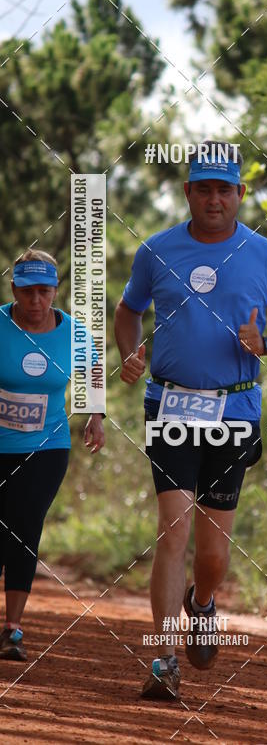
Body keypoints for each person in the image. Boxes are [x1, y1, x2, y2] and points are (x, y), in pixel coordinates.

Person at [115, 143, 267, 699]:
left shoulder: (263, 254)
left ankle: (202, 602)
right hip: (171, 404)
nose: (214, 199)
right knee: (172, 529)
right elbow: (128, 311)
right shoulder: (157, 251)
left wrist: (266, 343)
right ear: (187, 193)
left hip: (236, 409)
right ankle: (163, 660)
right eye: (203, 188)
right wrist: (130, 353)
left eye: (224, 189)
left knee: (213, 552)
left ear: (240, 195)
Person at [0, 249, 105, 660]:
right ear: (14, 290)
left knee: (24, 525)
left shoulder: (74, 334)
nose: (36, 301)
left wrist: (96, 415)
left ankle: (13, 631)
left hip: (47, 445)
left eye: (44, 292)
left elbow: (94, 370)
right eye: (28, 292)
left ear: (56, 292)